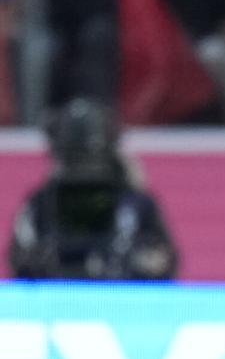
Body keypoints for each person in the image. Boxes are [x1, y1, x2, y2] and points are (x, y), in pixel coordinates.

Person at [8, 98, 178, 280]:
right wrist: (46, 259)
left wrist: (129, 260)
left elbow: (166, 262)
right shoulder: (42, 201)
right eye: (76, 156)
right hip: (58, 300)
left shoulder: (136, 202)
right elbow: (19, 260)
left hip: (121, 300)